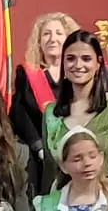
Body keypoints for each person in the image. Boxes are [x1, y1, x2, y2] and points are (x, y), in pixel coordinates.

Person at [44, 29, 108, 199]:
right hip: (63, 210)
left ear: (98, 64)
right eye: (71, 59)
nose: (78, 65)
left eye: (86, 59)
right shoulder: (51, 112)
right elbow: (50, 173)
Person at [10, 11, 75, 147]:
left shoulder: (77, 72)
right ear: (38, 42)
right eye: (46, 34)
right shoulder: (26, 73)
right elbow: (21, 114)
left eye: (59, 33)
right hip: (39, 151)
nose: (52, 39)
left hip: (75, 146)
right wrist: (38, 146)